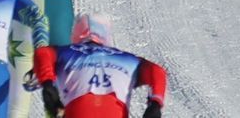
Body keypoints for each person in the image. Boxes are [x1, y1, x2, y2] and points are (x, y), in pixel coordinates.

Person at [36, 13, 170, 118]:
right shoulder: (128, 58)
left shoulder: (65, 51)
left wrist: (47, 83)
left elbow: (42, 53)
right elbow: (157, 71)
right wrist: (155, 103)